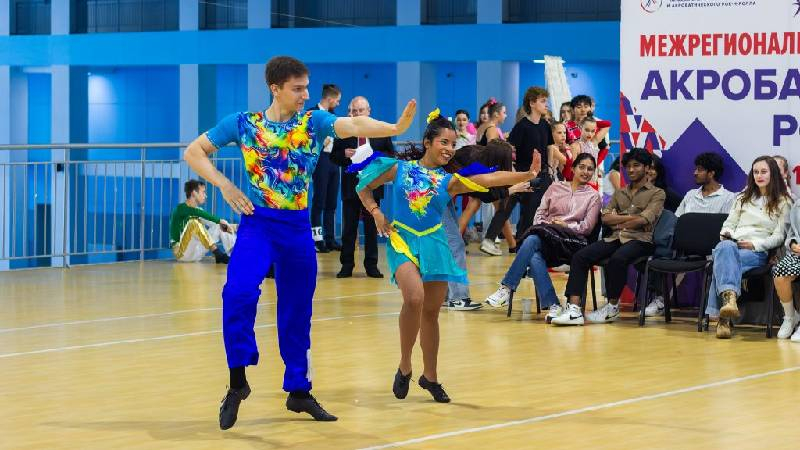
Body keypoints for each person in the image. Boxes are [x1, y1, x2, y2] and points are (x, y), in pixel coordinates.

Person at [184, 55, 417, 428]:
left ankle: (299, 391)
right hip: (258, 225)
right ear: (275, 88)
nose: (305, 94)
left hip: (296, 229)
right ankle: (237, 382)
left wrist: (394, 126)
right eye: (298, 89)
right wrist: (224, 185)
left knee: (297, 311)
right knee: (238, 294)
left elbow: (355, 123)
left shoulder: (314, 122)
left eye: (307, 87)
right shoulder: (244, 124)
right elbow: (193, 152)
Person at [355, 110, 541, 403]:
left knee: (431, 313)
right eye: (444, 142)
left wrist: (527, 174)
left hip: (435, 243)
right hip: (402, 240)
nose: (449, 149)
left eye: (453, 144)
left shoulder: (449, 181)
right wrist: (376, 212)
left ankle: (430, 377)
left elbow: (489, 178)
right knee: (414, 298)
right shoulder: (398, 169)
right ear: (427, 142)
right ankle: (405, 365)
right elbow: (363, 186)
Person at [551, 148, 665, 326]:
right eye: (628, 166)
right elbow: (605, 217)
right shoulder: (620, 193)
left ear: (647, 168)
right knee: (580, 256)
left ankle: (612, 307)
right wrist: (629, 219)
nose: (631, 170)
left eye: (636, 165)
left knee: (618, 258)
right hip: (616, 237)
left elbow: (645, 219)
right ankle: (574, 309)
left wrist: (618, 220)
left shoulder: (657, 193)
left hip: (641, 240)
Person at [485, 154, 601, 323]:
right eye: (582, 167)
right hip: (550, 237)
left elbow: (587, 227)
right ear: (573, 168)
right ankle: (553, 305)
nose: (586, 172)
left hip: (574, 243)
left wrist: (565, 225)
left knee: (532, 240)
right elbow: (539, 214)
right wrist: (549, 226)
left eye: (590, 169)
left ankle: (507, 288)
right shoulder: (555, 187)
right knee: (533, 251)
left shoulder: (593, 196)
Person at [707, 156, 791, 339]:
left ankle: (723, 317)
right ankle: (729, 301)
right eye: (755, 172)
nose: (759, 176)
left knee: (722, 259)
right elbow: (729, 224)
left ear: (773, 174)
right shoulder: (742, 198)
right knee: (725, 247)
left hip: (756, 251)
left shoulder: (783, 201)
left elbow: (779, 236)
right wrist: (727, 234)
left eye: (763, 172)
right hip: (733, 244)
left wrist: (755, 244)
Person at [643, 152, 737, 316]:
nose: (695, 173)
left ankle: (715, 307)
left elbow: (727, 228)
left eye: (700, 169)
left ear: (711, 173)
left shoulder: (729, 198)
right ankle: (659, 300)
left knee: (722, 256)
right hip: (683, 248)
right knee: (659, 251)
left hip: (711, 251)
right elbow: (677, 221)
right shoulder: (690, 195)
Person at [445, 141, 531, 311]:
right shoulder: (476, 166)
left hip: (441, 196)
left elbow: (486, 191)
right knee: (454, 245)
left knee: (448, 246)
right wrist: (513, 188)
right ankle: (457, 298)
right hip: (436, 198)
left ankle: (445, 295)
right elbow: (484, 194)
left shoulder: (478, 157)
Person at [480, 87, 554, 256]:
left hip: (540, 176)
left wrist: (549, 169)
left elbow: (550, 147)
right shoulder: (522, 126)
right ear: (532, 103)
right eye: (543, 101)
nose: (546, 104)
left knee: (529, 214)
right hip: (521, 175)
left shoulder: (545, 125)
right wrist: (512, 171)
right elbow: (510, 149)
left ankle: (522, 248)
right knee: (505, 208)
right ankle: (490, 240)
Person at [329, 96, 393, 279]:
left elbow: (390, 153)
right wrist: (344, 153)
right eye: (354, 111)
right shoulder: (343, 131)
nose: (357, 114)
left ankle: (372, 265)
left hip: (373, 185)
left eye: (360, 110)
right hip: (351, 186)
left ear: (368, 111)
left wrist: (376, 157)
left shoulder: (380, 130)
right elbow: (333, 156)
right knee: (349, 227)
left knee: (372, 227)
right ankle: (346, 265)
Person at [309, 84, 343, 253]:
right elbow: (305, 137)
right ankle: (317, 239)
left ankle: (330, 238)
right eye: (337, 100)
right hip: (320, 159)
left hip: (333, 160)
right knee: (319, 200)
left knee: (331, 201)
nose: (338, 103)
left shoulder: (333, 116)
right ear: (330, 99)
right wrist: (321, 142)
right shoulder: (311, 113)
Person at [169, 179, 236, 264]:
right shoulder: (180, 209)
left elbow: (214, 222)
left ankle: (234, 255)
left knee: (219, 225)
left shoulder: (198, 211)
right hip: (182, 253)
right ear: (194, 193)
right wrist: (220, 220)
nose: (206, 196)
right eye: (203, 192)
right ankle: (218, 253)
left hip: (197, 252)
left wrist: (231, 226)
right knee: (193, 223)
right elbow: (197, 213)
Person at [773, 197, 800, 341]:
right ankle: (790, 317)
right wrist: (793, 245)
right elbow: (791, 234)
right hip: (798, 254)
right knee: (780, 273)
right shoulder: (798, 205)